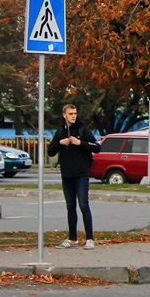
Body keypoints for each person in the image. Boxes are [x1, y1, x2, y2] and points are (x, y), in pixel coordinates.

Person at [47, 103, 101, 249]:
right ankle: (72, 238)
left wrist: (80, 143)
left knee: (83, 204)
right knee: (70, 206)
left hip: (81, 174)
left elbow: (96, 147)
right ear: (64, 115)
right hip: (67, 174)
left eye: (75, 113)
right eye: (70, 114)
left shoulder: (83, 129)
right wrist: (60, 143)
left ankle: (89, 238)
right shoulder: (60, 131)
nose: (73, 116)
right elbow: (51, 151)